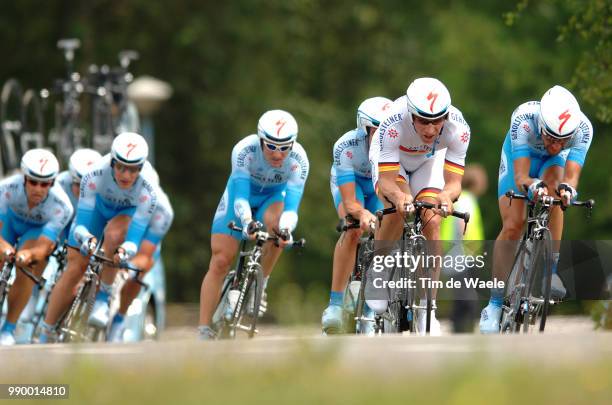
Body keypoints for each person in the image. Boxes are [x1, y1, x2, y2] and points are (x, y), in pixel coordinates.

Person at [479, 85, 593, 333]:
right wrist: (531, 186)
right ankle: (495, 302)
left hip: (552, 166)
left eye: (563, 140)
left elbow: (571, 178)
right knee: (513, 225)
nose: (555, 144)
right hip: (520, 158)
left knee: (557, 195)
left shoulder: (583, 130)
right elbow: (521, 176)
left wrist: (568, 190)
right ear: (541, 124)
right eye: (551, 137)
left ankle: (551, 271)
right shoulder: (523, 120)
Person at [369, 77, 471, 335]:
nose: (430, 128)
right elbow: (388, 182)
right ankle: (378, 270)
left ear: (446, 116)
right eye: (423, 120)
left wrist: (446, 196)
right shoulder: (392, 122)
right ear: (411, 114)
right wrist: (402, 197)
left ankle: (428, 308)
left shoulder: (458, 128)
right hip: (393, 164)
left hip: (428, 162)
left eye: (437, 121)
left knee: (432, 220)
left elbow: (454, 183)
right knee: (397, 209)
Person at [198, 110, 309, 340]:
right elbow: (240, 198)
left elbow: (291, 208)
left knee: (279, 231)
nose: (278, 154)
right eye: (271, 146)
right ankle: (203, 329)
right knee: (220, 260)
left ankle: (260, 285)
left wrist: (287, 230)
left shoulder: (299, 160)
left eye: (284, 147)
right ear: (260, 140)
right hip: (242, 198)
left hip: (272, 198)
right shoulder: (243, 150)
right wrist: (247, 222)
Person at [39, 132, 158, 342]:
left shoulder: (148, 188)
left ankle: (104, 296)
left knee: (113, 236)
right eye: (120, 166)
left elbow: (133, 239)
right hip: (96, 212)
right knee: (75, 268)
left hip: (125, 214)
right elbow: (81, 224)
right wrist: (86, 239)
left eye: (132, 170)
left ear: (141, 168)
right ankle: (46, 330)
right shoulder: (94, 175)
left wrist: (125, 251)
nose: (126, 175)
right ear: (112, 162)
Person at [321, 96, 392, 335]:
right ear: (365, 129)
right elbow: (350, 201)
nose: (382, 137)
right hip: (352, 186)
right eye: (376, 132)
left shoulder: (398, 144)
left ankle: (371, 309)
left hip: (378, 187)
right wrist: (362, 213)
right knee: (352, 229)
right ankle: (334, 305)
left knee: (386, 235)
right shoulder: (346, 146)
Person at [0, 149, 73, 345]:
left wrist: (26, 255)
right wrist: (5, 249)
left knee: (28, 268)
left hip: (36, 232)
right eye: (33, 182)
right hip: (8, 223)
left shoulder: (63, 206)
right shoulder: (5, 188)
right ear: (23, 178)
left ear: (52, 183)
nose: (38, 189)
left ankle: (8, 328)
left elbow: (43, 248)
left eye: (45, 183)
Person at [108, 179, 173, 342]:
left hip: (144, 247)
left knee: (137, 273)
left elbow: (146, 256)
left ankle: (119, 319)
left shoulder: (161, 209)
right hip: (118, 244)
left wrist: (128, 268)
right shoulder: (116, 195)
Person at [440, 164, 487, 332]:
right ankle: (462, 330)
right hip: (462, 255)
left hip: (462, 255)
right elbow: (461, 226)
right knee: (466, 297)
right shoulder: (466, 199)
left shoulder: (466, 198)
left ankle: (461, 329)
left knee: (463, 296)